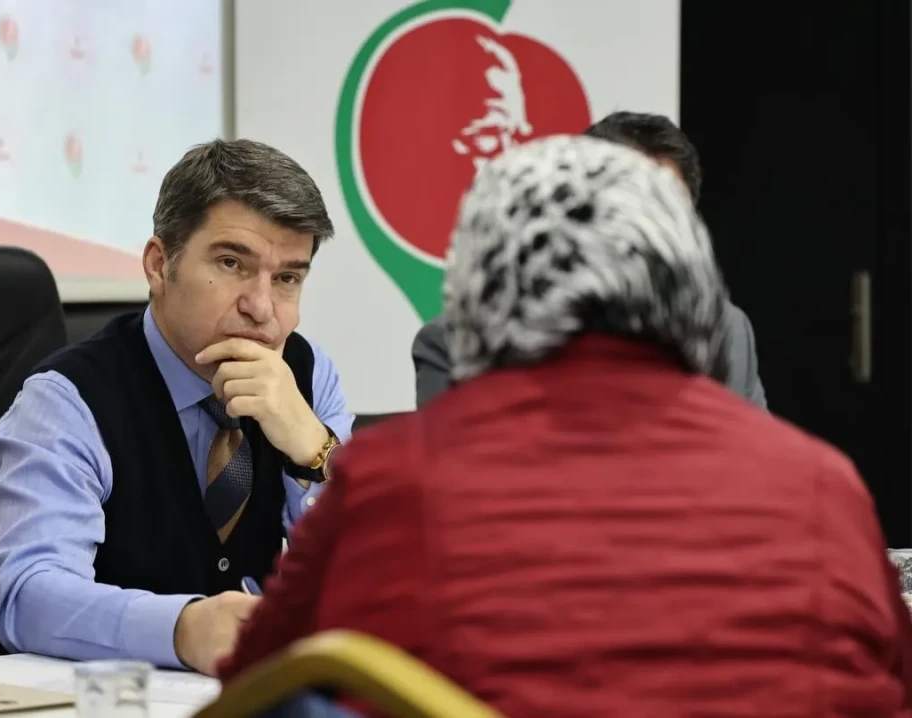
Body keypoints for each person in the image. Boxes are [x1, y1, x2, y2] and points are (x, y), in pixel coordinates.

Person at [219, 136, 912, 716]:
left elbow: (256, 688)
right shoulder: (822, 483)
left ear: (476, 294)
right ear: (693, 287)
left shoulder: (394, 481)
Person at [0, 139, 353, 676]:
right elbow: (29, 596)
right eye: (231, 263)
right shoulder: (67, 398)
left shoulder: (309, 375)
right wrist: (182, 629)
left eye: (287, 279)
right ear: (159, 265)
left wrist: (313, 450)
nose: (261, 308)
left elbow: (374, 579)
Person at [413, 111, 767, 408]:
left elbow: (754, 462)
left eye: (663, 218)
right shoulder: (458, 344)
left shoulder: (728, 335)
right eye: (624, 212)